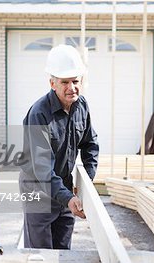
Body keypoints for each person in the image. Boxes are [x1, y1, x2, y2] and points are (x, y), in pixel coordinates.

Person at [19, 44, 99, 249]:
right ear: (52, 83)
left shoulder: (82, 106)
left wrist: (85, 186)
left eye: (75, 81)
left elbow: (90, 144)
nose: (71, 87)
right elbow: (42, 168)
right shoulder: (39, 114)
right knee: (40, 254)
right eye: (65, 82)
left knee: (63, 252)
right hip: (38, 191)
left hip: (64, 187)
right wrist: (68, 197)